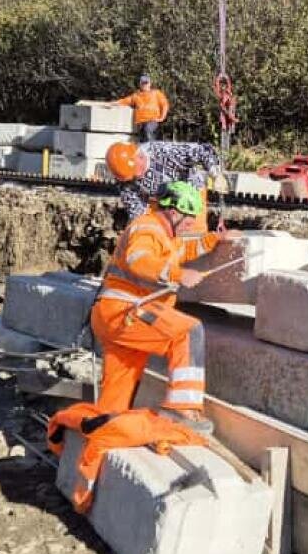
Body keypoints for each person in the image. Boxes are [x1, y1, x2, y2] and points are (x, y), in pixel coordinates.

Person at [89, 181, 221, 434]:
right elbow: (138, 261)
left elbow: (185, 250)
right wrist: (178, 275)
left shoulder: (165, 235)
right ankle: (182, 409)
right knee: (188, 332)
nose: (191, 225)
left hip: (116, 314)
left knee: (115, 402)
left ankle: (99, 439)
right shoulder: (148, 228)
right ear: (173, 212)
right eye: (189, 220)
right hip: (127, 310)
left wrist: (216, 239)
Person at [105, 141, 221, 222]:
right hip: (164, 204)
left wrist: (216, 174)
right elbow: (136, 211)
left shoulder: (162, 152)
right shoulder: (126, 179)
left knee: (194, 238)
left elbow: (202, 150)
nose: (136, 176)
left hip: (192, 196)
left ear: (139, 155)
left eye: (137, 170)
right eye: (132, 176)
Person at [117, 74, 170, 143]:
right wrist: (111, 104)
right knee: (142, 140)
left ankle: (150, 147)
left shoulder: (156, 93)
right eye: (143, 83)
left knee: (148, 131)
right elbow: (124, 101)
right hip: (141, 123)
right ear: (140, 84)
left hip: (152, 121)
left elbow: (165, 105)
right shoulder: (136, 96)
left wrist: (162, 118)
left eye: (146, 83)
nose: (145, 85)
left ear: (150, 84)